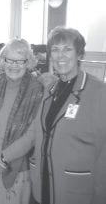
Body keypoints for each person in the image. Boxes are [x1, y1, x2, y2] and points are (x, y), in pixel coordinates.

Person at [25, 26, 106, 204]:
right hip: (42, 185)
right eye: (55, 50)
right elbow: (37, 133)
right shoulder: (50, 89)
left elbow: (103, 153)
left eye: (67, 49)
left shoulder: (99, 92)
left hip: (74, 191)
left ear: (79, 54)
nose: (60, 56)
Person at [0, 38, 44, 204]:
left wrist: (2, 160)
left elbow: (32, 134)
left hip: (15, 166)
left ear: (29, 62)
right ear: (2, 61)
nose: (13, 65)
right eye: (9, 60)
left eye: (20, 61)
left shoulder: (36, 90)